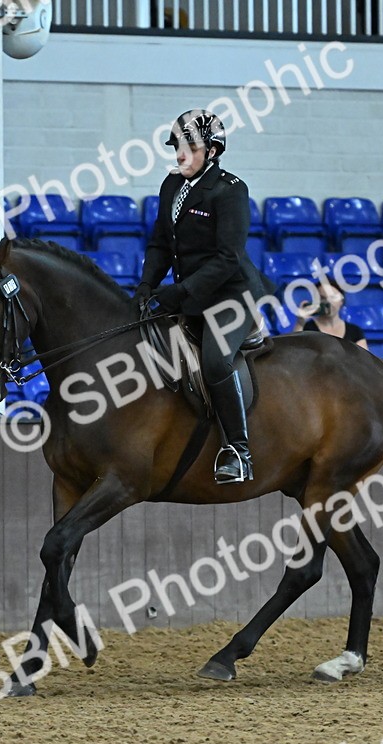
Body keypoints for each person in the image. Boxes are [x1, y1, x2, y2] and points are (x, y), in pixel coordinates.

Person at [135, 109, 269, 484]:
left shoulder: (230, 190)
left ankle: (238, 451)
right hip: (190, 295)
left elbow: (227, 258)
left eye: (189, 146)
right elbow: (161, 243)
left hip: (231, 295)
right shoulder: (171, 185)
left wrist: (179, 292)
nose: (180, 154)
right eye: (177, 146)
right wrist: (146, 285)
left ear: (211, 150)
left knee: (214, 361)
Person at [291, 282, 369, 349]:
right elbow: (294, 353)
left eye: (333, 297)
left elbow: (365, 361)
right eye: (322, 298)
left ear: (341, 301)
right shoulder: (306, 328)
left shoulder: (355, 331)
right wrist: (300, 323)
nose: (328, 302)